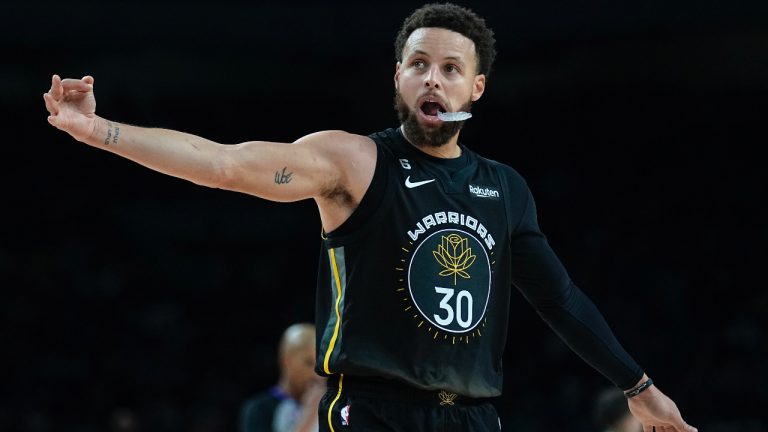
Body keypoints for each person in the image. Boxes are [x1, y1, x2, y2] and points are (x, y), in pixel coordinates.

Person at [43, 3, 697, 431]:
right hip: (374, 412)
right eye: (419, 65)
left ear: (476, 87)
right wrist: (99, 130)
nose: (432, 80)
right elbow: (223, 164)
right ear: (398, 77)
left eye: (449, 69)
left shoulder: (506, 190)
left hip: (474, 418)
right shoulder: (353, 161)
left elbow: (559, 300)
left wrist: (637, 385)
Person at [239, 323, 325, 432]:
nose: (315, 374)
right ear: (286, 361)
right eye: (308, 363)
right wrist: (309, 416)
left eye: (319, 365)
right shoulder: (259, 410)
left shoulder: (330, 408)